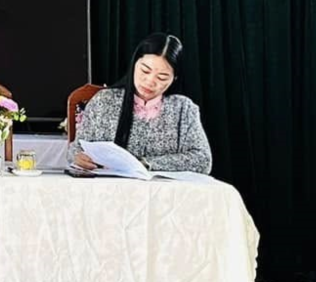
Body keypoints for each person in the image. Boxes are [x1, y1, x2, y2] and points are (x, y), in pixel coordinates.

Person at [73, 32, 212, 175]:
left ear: (174, 78)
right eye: (145, 70)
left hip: (165, 188)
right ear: (134, 64)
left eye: (162, 77)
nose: (150, 81)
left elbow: (203, 160)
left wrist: (147, 163)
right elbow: (76, 148)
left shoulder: (184, 108)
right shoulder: (104, 101)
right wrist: (78, 158)